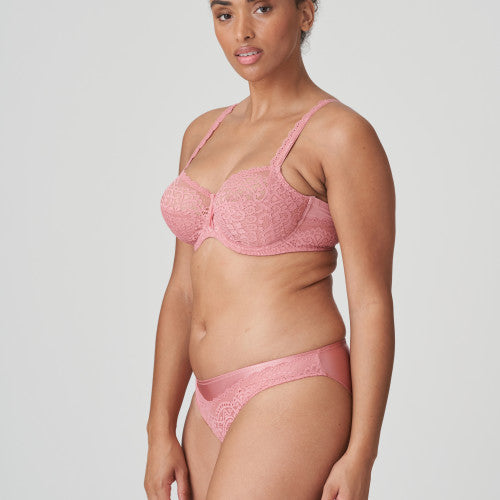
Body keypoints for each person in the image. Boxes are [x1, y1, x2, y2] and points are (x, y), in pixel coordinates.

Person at [145, 0, 395, 499]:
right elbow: (182, 290)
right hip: (205, 402)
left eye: (262, 8)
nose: (242, 31)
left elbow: (370, 301)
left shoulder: (339, 134)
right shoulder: (201, 133)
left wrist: (362, 454)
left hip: (293, 388)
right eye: (224, 14)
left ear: (305, 13)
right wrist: (158, 428)